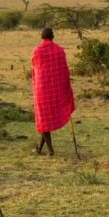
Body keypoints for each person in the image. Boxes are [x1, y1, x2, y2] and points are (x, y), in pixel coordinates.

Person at [31, 27, 75, 156]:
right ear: (53, 36)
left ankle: (50, 151)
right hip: (56, 91)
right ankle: (39, 149)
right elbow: (65, 71)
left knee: (43, 120)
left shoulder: (37, 51)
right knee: (44, 122)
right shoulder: (60, 51)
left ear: (42, 37)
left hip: (42, 90)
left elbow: (34, 68)